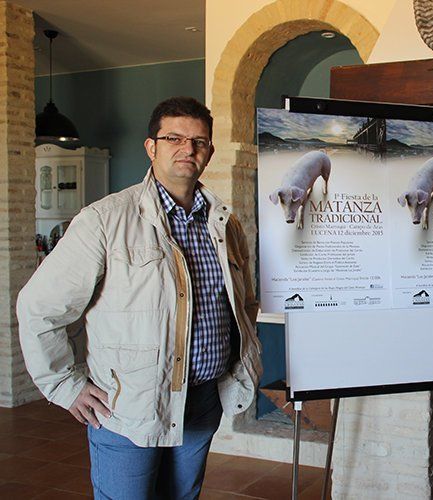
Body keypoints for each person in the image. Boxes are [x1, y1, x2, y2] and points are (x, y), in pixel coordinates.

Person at [18, 96, 262, 499]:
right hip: (127, 406)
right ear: (151, 147)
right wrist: (64, 384)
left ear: (210, 151)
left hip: (202, 400)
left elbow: (243, 303)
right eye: (174, 138)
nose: (188, 149)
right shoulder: (105, 220)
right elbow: (38, 307)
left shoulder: (225, 224)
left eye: (199, 141)